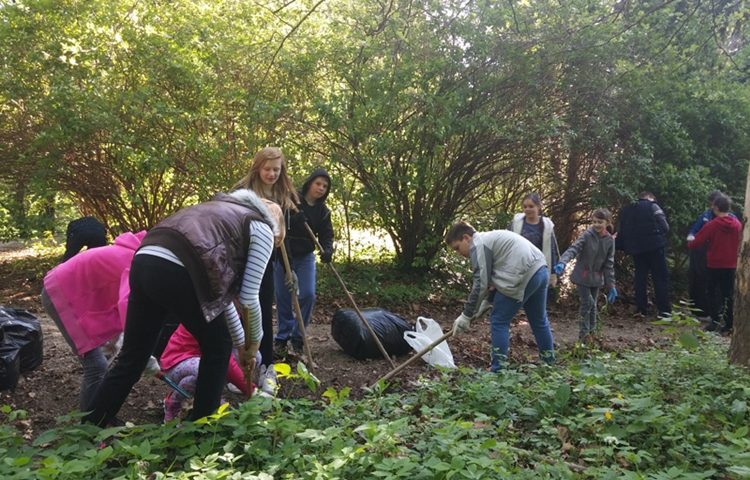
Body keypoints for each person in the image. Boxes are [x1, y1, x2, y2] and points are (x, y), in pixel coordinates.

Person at [82, 188, 278, 427]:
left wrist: (242, 345)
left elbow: (222, 303)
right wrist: (253, 344)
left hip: (145, 258)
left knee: (133, 355)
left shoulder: (217, 211)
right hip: (179, 267)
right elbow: (249, 299)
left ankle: (92, 424)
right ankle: (202, 430)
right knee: (217, 348)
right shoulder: (261, 228)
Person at [41, 230, 147, 411]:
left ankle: (100, 413)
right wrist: (146, 356)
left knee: (104, 358)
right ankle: (88, 426)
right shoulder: (134, 262)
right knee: (96, 366)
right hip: (59, 294)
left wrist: (117, 340)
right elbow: (128, 306)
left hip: (73, 294)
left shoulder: (134, 256)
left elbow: (119, 303)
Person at [232, 147, 299, 396]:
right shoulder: (242, 194)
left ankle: (267, 367)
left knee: (263, 313)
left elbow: (283, 238)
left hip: (267, 261)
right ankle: (241, 368)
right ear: (257, 167)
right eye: (267, 168)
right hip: (243, 261)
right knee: (241, 314)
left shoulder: (283, 196)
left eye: (276, 169)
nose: (271, 174)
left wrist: (289, 270)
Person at [446, 221, 555, 371]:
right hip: (540, 270)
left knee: (499, 320)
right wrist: (487, 301)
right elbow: (496, 276)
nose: (460, 254)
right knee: (539, 320)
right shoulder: (490, 238)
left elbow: (481, 282)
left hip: (523, 274)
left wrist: (466, 315)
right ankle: (549, 364)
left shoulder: (478, 244)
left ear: (466, 238)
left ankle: (498, 371)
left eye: (457, 248)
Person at [274, 168, 334, 357]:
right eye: (318, 183)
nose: (321, 188)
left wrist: (327, 249)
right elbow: (277, 218)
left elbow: (326, 234)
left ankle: (298, 338)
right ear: (310, 183)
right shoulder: (293, 200)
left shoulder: (323, 211)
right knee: (283, 296)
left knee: (308, 295)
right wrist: (292, 217)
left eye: (325, 186)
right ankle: (282, 339)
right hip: (284, 253)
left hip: (306, 256)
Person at [159, 324, 261, 422]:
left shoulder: (232, 313)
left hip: (203, 358)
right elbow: (225, 361)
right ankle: (173, 404)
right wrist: (251, 390)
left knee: (253, 356)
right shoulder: (214, 317)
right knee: (207, 370)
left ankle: (213, 396)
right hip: (176, 362)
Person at [554, 209, 617, 341]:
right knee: (587, 303)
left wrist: (611, 285)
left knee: (593, 306)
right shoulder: (587, 235)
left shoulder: (610, 241)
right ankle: (583, 336)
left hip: (596, 278)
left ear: (607, 223)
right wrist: (563, 262)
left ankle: (592, 334)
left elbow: (609, 264)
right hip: (582, 276)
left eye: (600, 222)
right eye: (594, 222)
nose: (597, 225)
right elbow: (574, 248)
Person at [687, 194, 741, 334]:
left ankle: (715, 320)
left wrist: (690, 242)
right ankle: (729, 322)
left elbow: (696, 241)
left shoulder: (713, 224)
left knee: (710, 292)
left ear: (716, 208)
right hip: (731, 264)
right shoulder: (737, 224)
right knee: (727, 294)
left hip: (714, 264)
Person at [615, 192, 671, 318]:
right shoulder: (652, 206)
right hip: (655, 247)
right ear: (650, 197)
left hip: (637, 249)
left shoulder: (626, 209)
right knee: (660, 278)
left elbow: (622, 231)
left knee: (640, 278)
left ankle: (641, 309)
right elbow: (665, 227)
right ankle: (664, 311)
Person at [686, 190, 731, 319]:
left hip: (715, 257)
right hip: (719, 258)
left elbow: (698, 237)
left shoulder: (715, 223)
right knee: (712, 286)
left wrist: (692, 243)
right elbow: (695, 230)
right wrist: (691, 237)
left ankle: (717, 315)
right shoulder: (707, 216)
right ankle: (718, 315)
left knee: (715, 287)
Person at [508, 193, 560, 291]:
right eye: (525, 207)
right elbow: (506, 244)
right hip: (518, 269)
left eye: (531, 206)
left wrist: (553, 274)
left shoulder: (547, 226)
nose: (527, 209)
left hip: (538, 269)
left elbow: (551, 250)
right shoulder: (516, 223)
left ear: (539, 207)